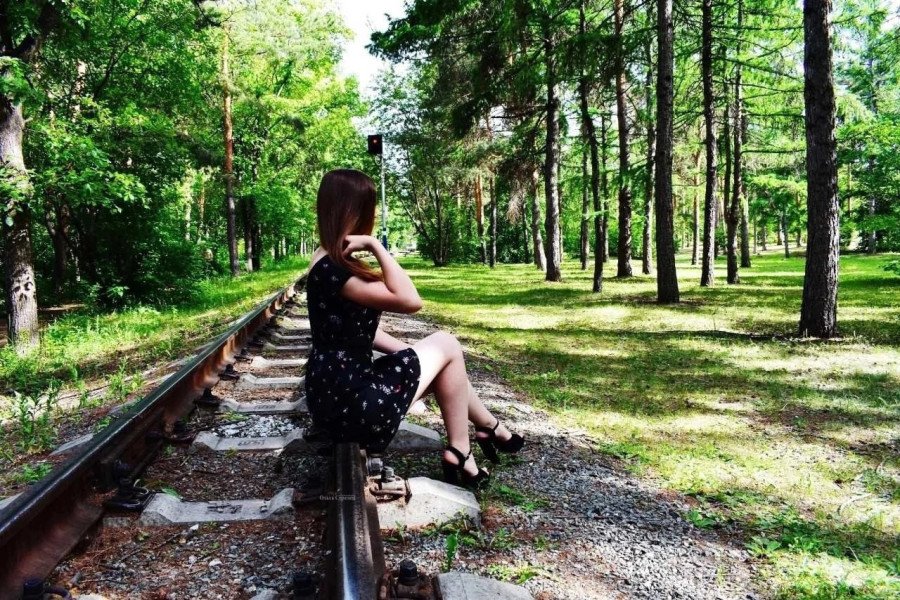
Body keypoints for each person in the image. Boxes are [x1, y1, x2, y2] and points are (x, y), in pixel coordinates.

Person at [303, 168, 524, 488]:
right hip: (354, 408)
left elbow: (357, 333)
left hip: (333, 397)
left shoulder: (322, 259)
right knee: (447, 343)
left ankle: (487, 430)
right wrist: (377, 247)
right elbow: (411, 300)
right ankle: (465, 447)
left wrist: (413, 355)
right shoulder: (337, 271)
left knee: (443, 362)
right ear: (356, 212)